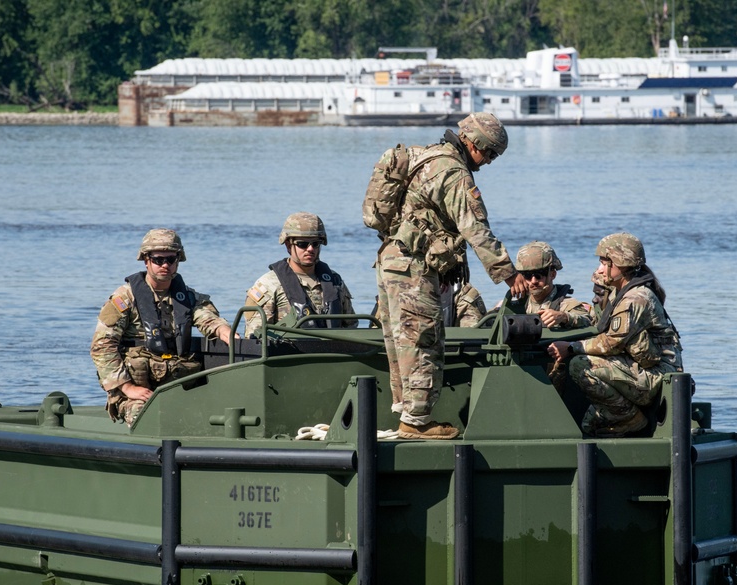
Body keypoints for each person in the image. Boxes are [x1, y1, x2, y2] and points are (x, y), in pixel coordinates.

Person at [375, 111, 527, 440]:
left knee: (401, 340)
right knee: (423, 340)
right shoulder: (455, 172)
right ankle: (416, 422)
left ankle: (406, 410)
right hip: (414, 267)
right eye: (488, 153)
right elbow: (475, 229)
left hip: (390, 259)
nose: (487, 162)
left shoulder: (424, 155)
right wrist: (508, 273)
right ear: (472, 143)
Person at [91, 228, 234, 425]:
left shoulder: (188, 298)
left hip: (178, 384)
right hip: (138, 391)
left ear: (178, 260)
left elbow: (207, 318)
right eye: (158, 259)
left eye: (171, 259)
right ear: (146, 260)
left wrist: (225, 332)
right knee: (147, 419)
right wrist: (127, 388)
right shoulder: (125, 298)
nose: (165, 265)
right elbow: (102, 346)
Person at [548, 232, 683, 437]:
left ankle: (629, 419)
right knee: (588, 424)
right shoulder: (622, 293)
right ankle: (621, 417)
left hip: (657, 376)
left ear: (620, 263)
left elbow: (611, 343)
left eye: (604, 263)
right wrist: (567, 317)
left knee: (580, 364)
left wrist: (570, 347)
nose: (600, 270)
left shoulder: (635, 299)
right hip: (642, 370)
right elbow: (599, 321)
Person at [244, 212, 355, 337]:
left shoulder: (334, 281)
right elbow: (255, 336)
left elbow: (351, 326)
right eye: (302, 244)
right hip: (288, 353)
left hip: (333, 352)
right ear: (288, 245)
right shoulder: (269, 285)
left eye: (315, 244)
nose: (310, 249)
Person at [514, 241, 592, 329]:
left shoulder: (566, 304)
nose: (533, 281)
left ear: (552, 274)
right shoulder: (517, 305)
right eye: (527, 275)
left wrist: (564, 317)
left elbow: (588, 321)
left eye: (539, 275)